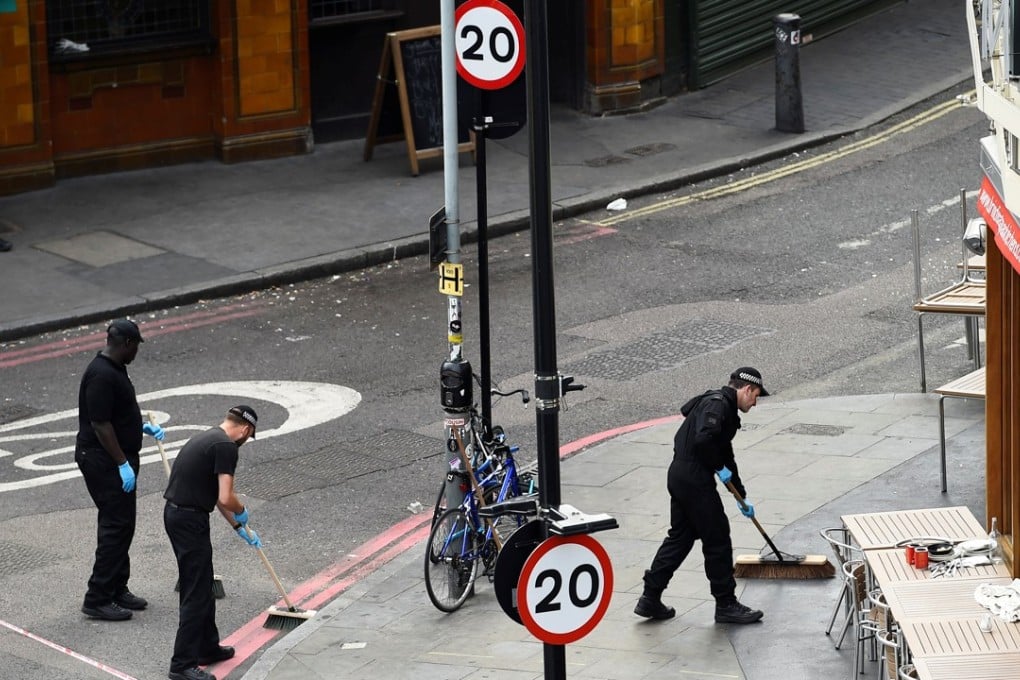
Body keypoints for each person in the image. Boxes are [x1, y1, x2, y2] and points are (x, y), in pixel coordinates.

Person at [634, 367, 769, 625]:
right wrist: (720, 469)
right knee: (717, 536)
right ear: (747, 389)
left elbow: (724, 452)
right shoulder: (717, 406)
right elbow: (703, 442)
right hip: (693, 477)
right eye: (756, 396)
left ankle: (650, 597)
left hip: (681, 475)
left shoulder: (724, 407)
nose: (755, 402)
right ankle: (726, 603)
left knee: (681, 536)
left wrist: (741, 494)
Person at [163, 405, 262, 680]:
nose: (245, 441)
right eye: (248, 435)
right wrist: (241, 510)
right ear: (245, 429)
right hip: (189, 520)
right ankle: (182, 664)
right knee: (196, 592)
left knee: (203, 583)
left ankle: (207, 647)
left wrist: (238, 526)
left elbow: (217, 497)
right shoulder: (226, 447)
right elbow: (228, 496)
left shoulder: (208, 437)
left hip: (179, 515)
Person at [76, 319, 165, 621]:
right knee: (115, 527)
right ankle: (97, 597)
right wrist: (122, 463)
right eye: (137, 345)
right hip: (104, 461)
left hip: (116, 457)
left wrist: (141, 427)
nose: (137, 350)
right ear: (127, 343)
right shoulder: (101, 375)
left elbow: (116, 415)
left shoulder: (115, 370)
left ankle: (117, 587)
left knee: (123, 525)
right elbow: (100, 425)